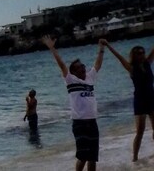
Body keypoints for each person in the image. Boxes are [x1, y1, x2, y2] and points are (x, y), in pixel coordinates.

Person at [42, 35, 104, 171]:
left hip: (93, 122)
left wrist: (101, 48)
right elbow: (61, 64)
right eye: (79, 67)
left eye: (83, 66)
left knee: (93, 157)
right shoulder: (70, 80)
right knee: (83, 156)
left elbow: (98, 64)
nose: (83, 68)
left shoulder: (90, 78)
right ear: (73, 71)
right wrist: (52, 48)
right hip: (80, 123)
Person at [103, 40, 154, 161]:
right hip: (140, 101)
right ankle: (135, 158)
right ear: (134, 55)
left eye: (142, 52)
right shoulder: (131, 68)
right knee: (140, 131)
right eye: (138, 53)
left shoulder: (147, 63)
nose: (141, 55)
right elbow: (119, 57)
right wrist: (108, 45)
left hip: (152, 98)